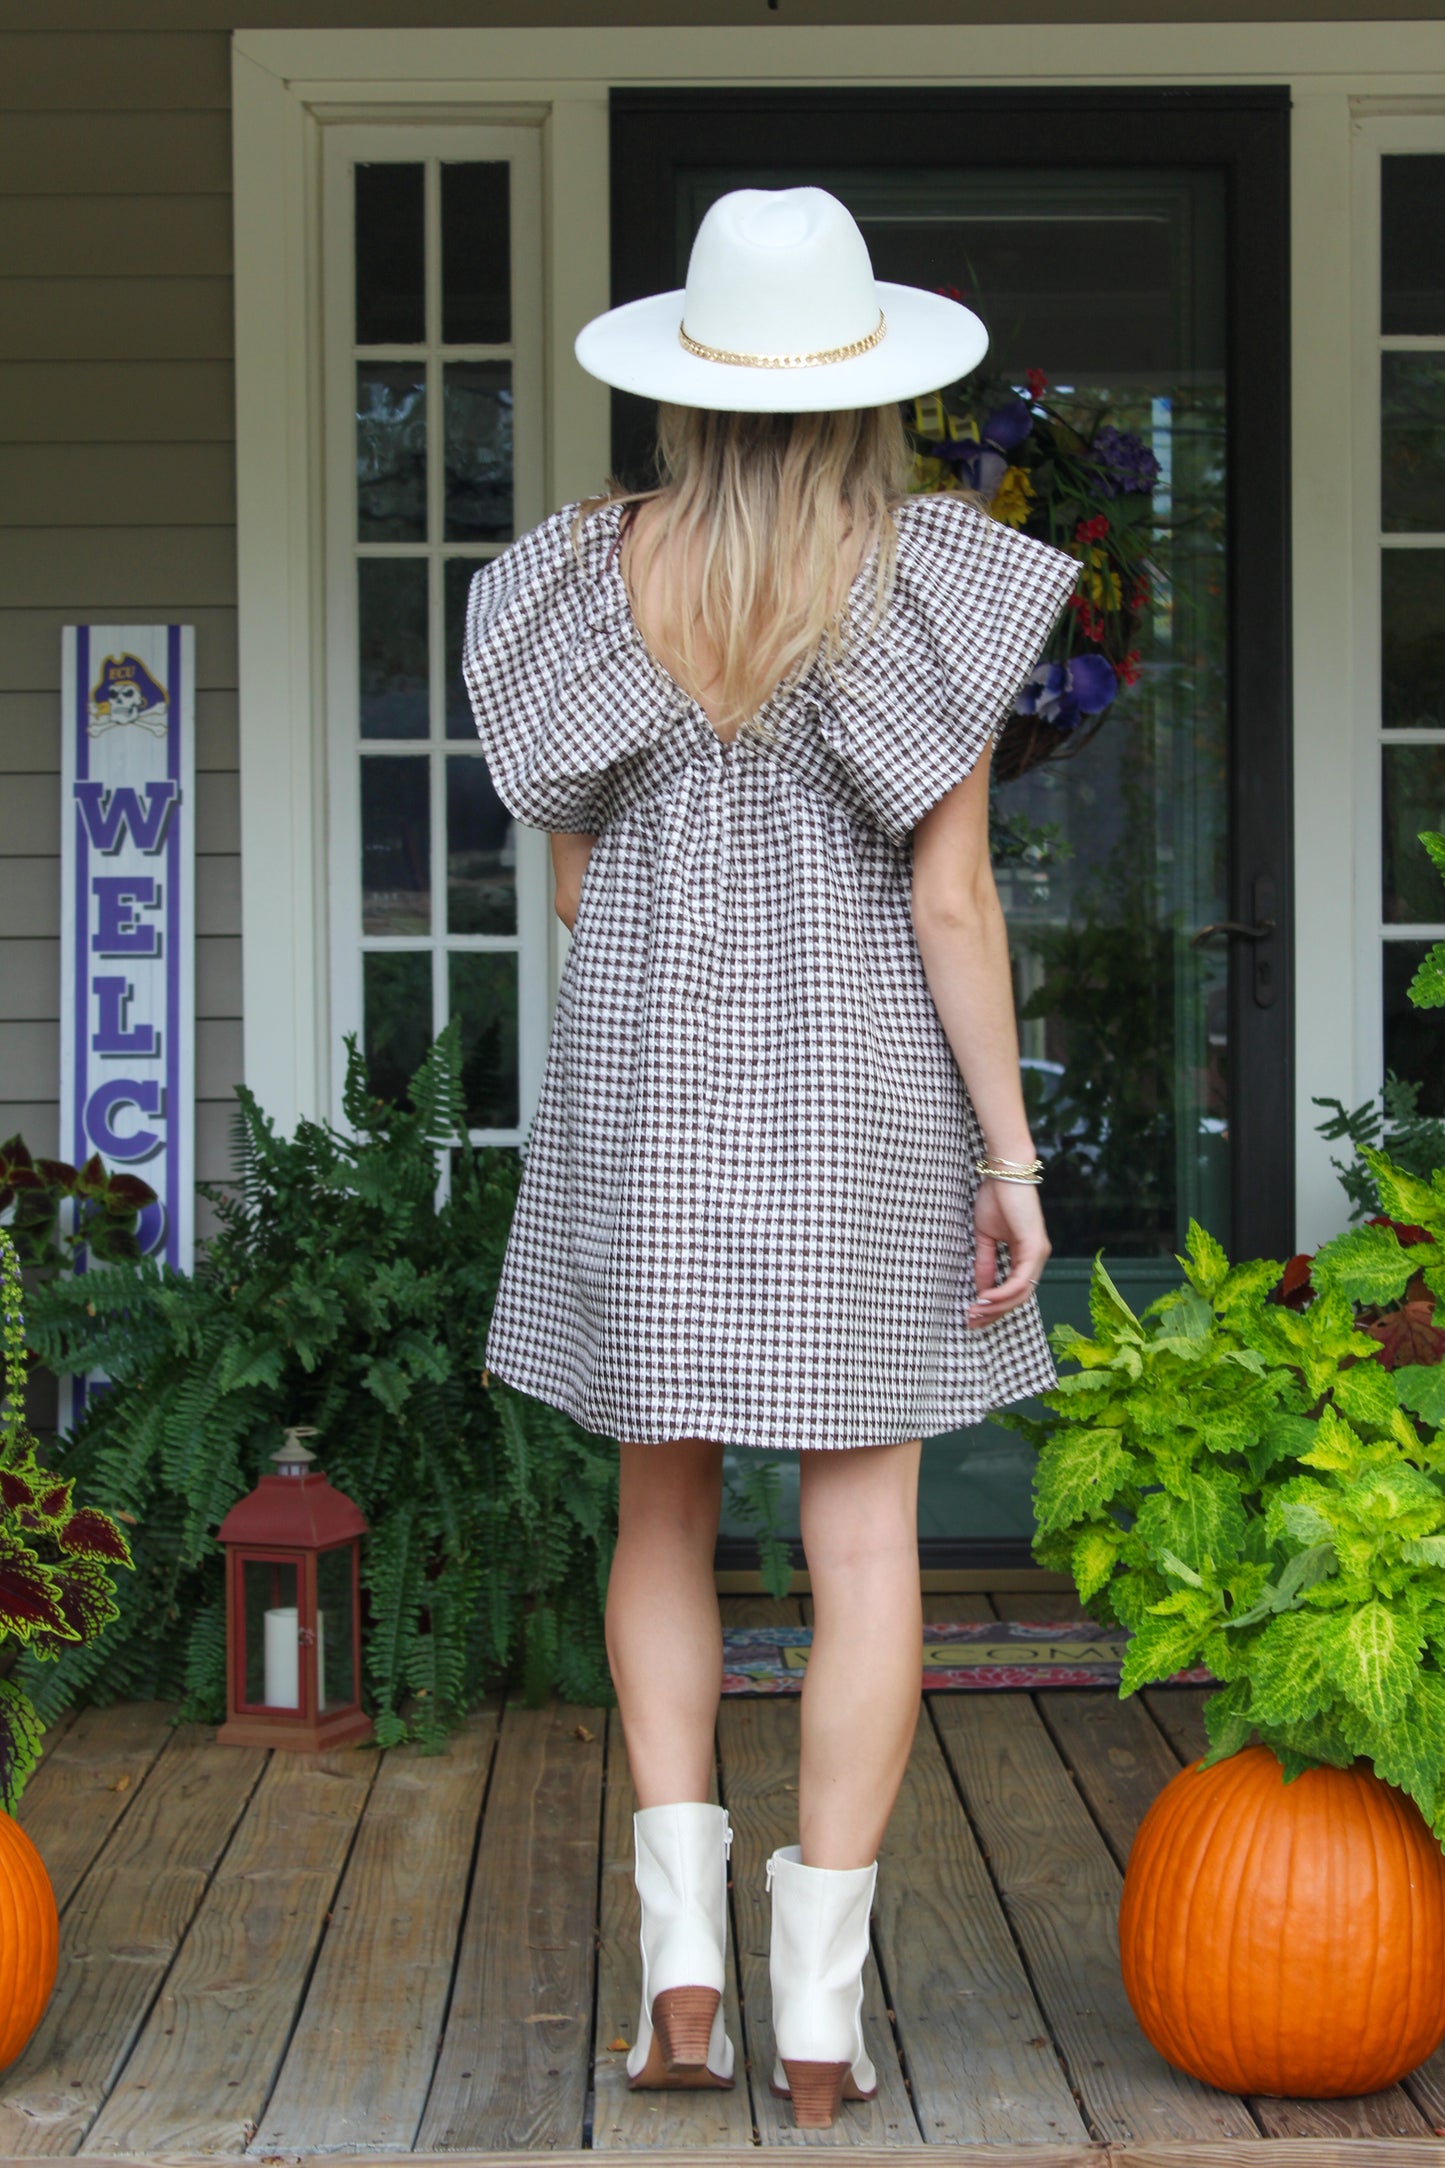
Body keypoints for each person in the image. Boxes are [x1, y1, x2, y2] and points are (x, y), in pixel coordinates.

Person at [462, 185, 1078, 2130]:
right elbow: (955, 900)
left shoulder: (578, 579)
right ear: (868, 389)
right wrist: (1014, 1158)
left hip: (654, 1105)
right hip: (868, 1112)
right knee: (866, 1534)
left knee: (659, 1512)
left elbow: (570, 878)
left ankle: (687, 1976)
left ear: (688, 389)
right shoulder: (928, 581)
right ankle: (822, 2016)